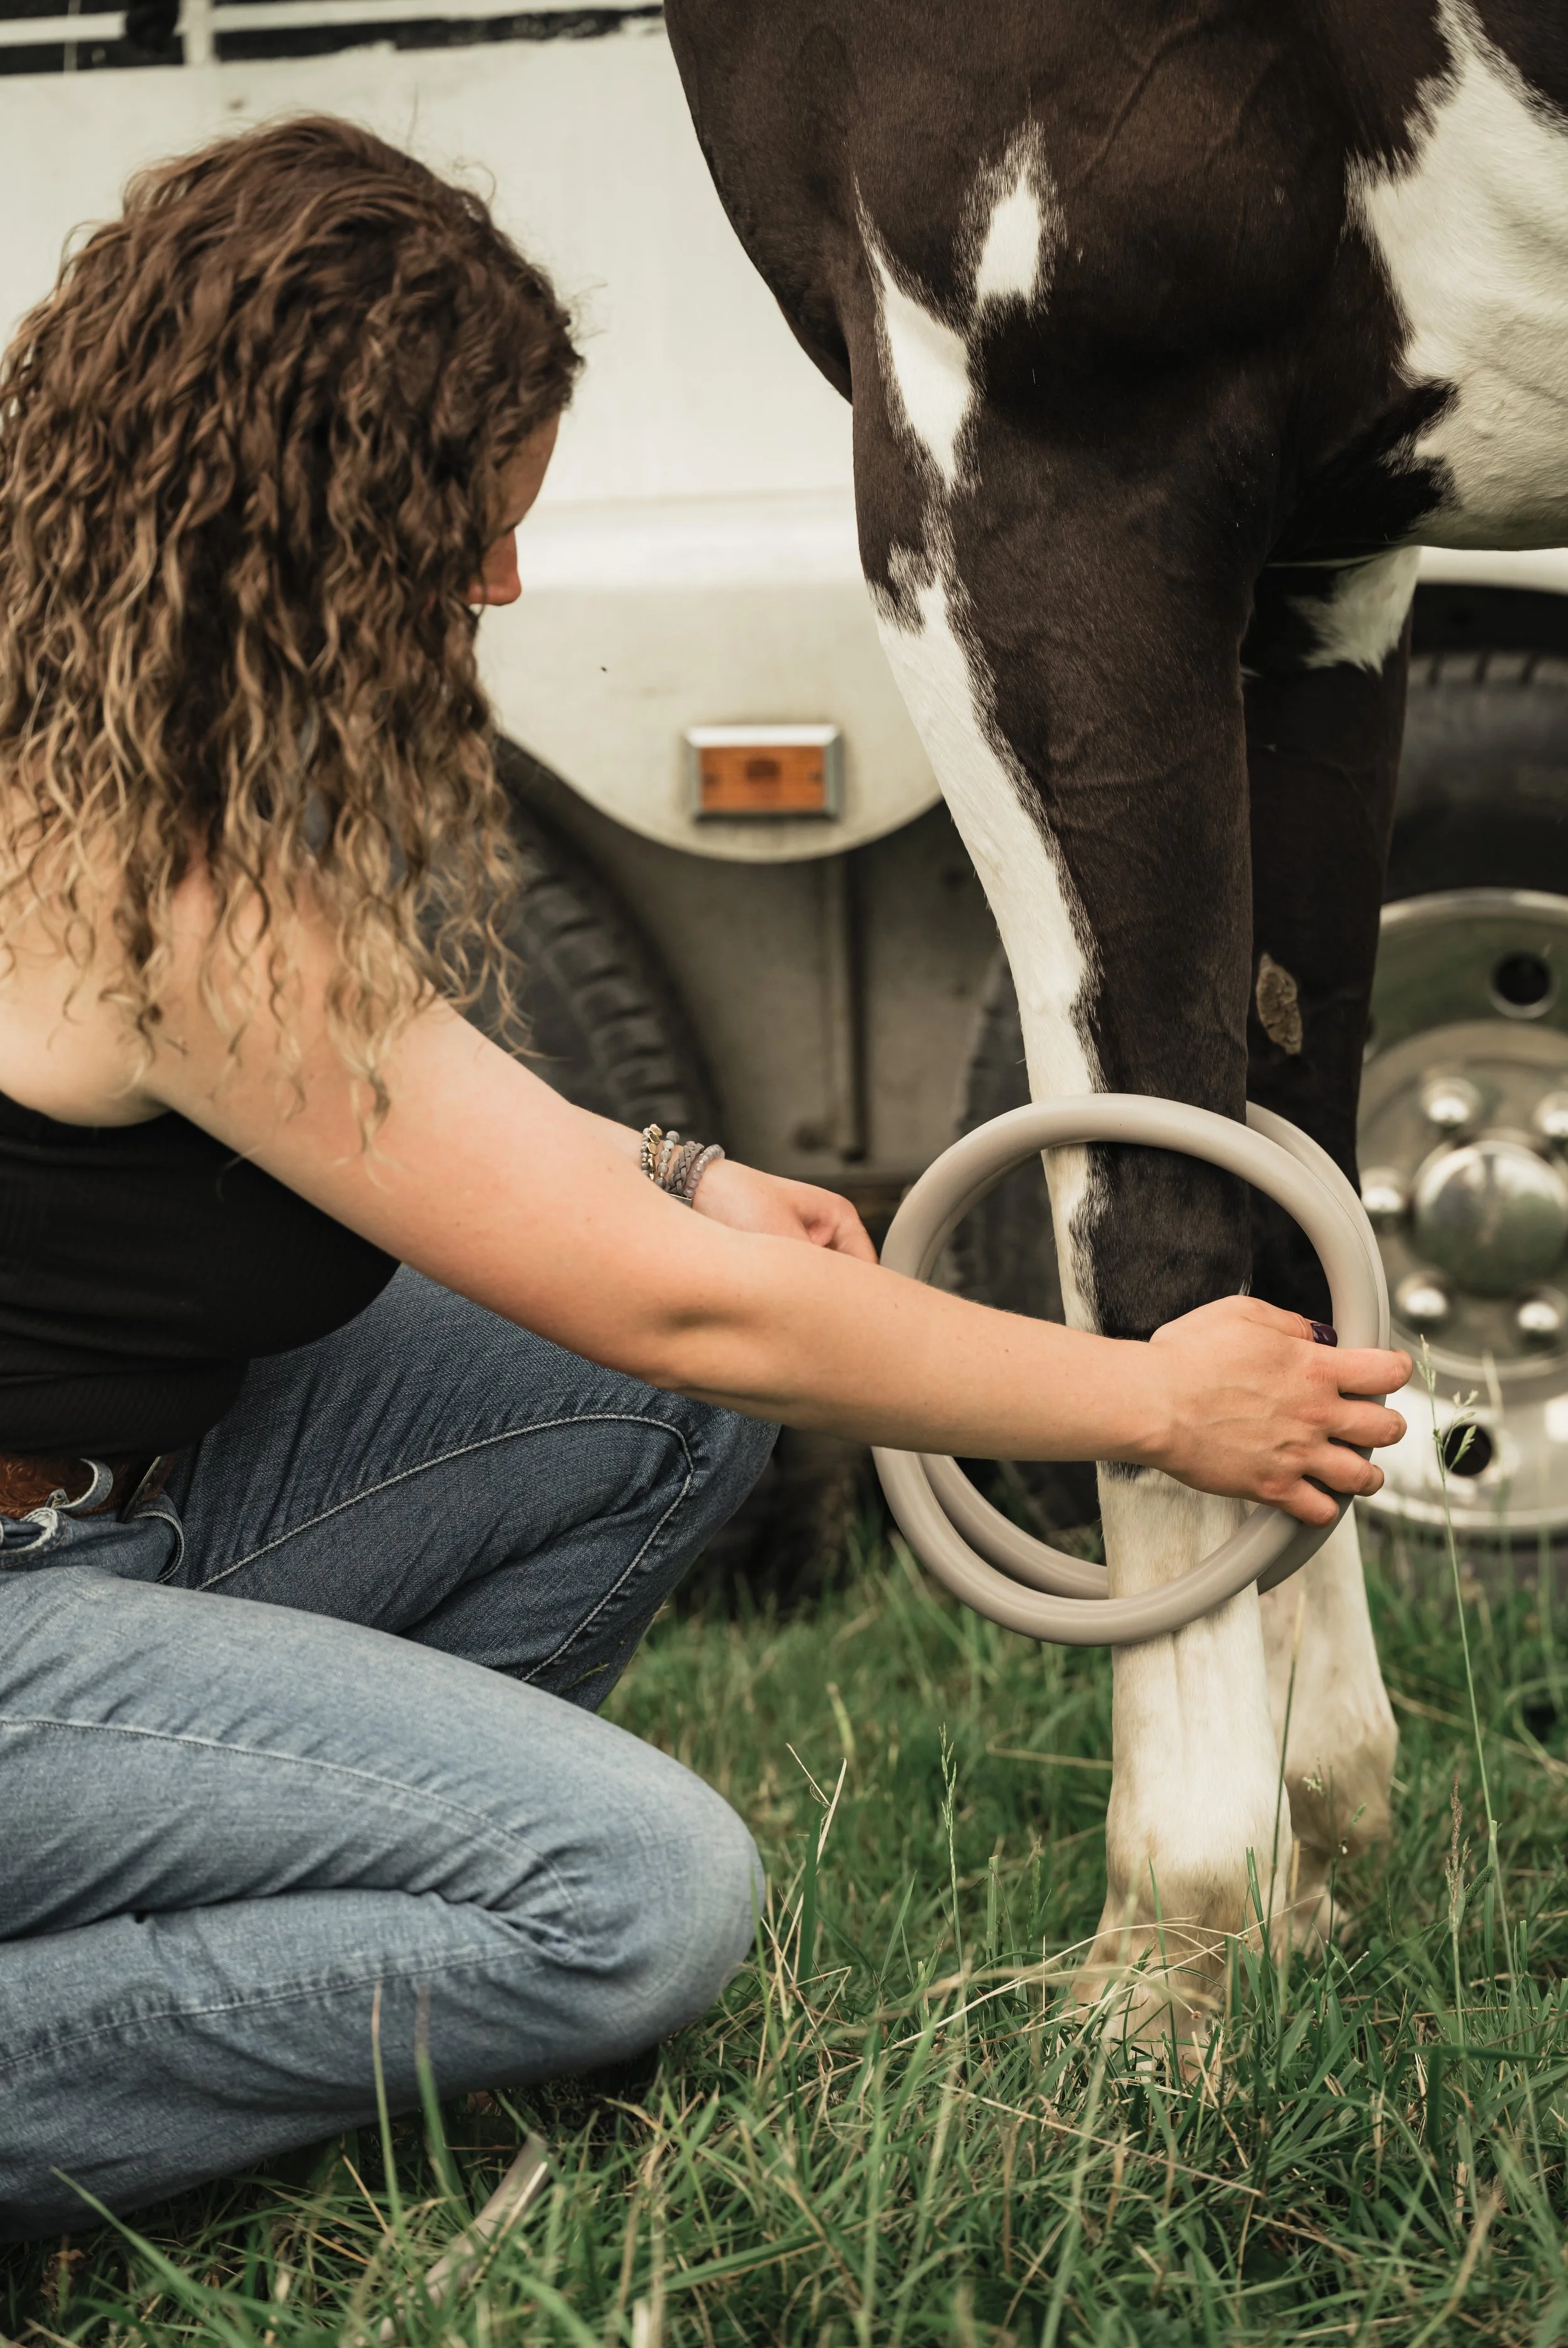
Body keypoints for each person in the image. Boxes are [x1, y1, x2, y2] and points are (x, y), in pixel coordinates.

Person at [0, 116, 1409, 2240]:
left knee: (653, 1405)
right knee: (637, 1903)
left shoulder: (92, 720)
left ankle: (318, 1914)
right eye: (463, 533)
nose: (498, 587)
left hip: (123, 1526)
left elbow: (430, 1115)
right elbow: (674, 1301)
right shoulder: (155, 862)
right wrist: (1150, 1398)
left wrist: (671, 1162)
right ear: (309, 508)